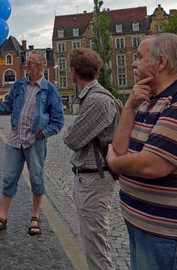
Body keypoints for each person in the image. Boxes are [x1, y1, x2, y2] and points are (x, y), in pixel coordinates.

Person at [107, 33, 177, 269]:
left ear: (161, 62)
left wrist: (115, 164)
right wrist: (128, 107)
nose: (133, 63)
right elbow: (118, 147)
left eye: (139, 57)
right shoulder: (147, 98)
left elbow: (152, 164)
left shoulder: (174, 103)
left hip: (164, 235)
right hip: (138, 221)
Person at [0, 52, 64, 235]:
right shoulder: (19, 85)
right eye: (26, 62)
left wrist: (43, 133)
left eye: (30, 63)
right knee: (9, 178)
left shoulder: (50, 90)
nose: (26, 66)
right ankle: (2, 217)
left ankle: (35, 216)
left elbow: (58, 121)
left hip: (35, 142)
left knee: (36, 179)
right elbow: (8, 106)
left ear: (40, 66)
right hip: (15, 140)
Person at [62, 48, 118, 269]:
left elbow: (72, 139)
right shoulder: (94, 97)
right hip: (92, 178)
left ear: (74, 71)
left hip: (95, 180)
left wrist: (73, 130)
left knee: (96, 247)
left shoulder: (96, 100)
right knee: (93, 242)